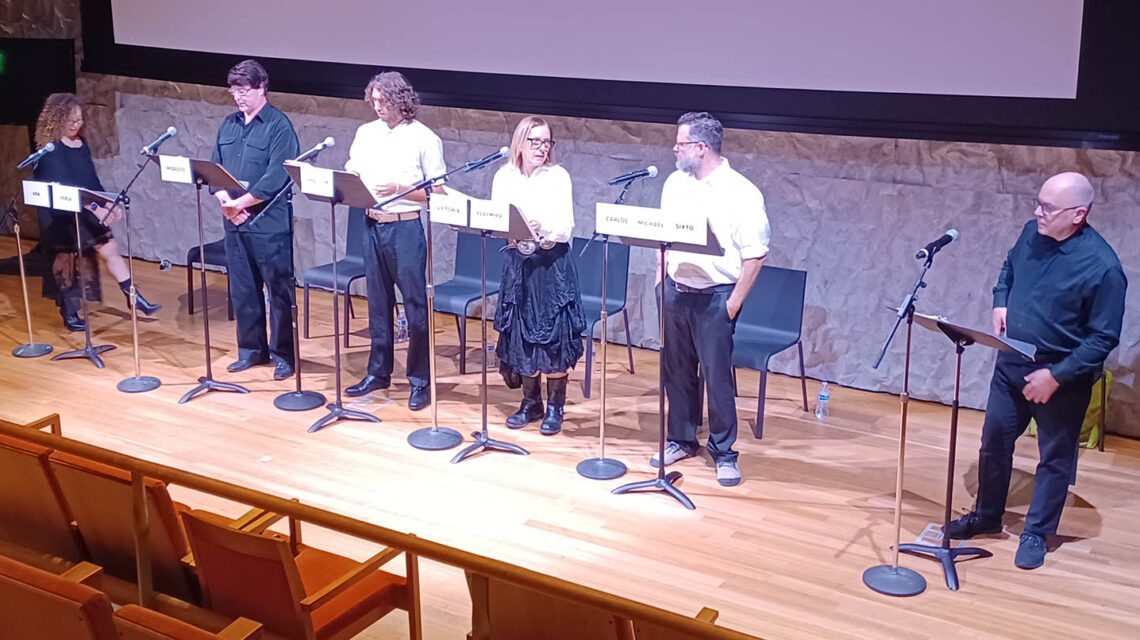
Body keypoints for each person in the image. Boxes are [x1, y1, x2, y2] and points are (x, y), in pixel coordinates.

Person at [945, 172, 1126, 570]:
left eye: (1047, 207)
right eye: (1039, 202)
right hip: (1010, 362)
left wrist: (1056, 376)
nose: (1036, 212)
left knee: (1054, 459)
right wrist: (1000, 300)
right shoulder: (1031, 234)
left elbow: (1102, 339)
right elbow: (1008, 269)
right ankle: (988, 515)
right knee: (994, 443)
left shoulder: (1104, 268)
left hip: (1061, 379)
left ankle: (1036, 531)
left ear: (1078, 214)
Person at [651, 112, 770, 487]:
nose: (675, 148)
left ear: (701, 148)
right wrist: (660, 282)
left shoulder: (741, 192)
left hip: (716, 297)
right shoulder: (674, 183)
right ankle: (682, 439)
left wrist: (732, 304)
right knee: (677, 372)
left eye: (681, 143)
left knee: (718, 379)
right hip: (676, 291)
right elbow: (662, 236)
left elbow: (756, 254)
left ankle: (724, 451)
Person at [343, 71, 442, 410]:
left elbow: (438, 194)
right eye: (373, 100)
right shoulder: (365, 133)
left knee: (415, 308)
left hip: (405, 229)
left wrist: (401, 190)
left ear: (402, 101)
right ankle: (378, 372)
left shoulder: (424, 138)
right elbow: (353, 171)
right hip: (371, 225)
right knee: (378, 305)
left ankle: (419, 380)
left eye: (383, 101)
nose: (377, 107)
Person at [32, 93, 161, 331]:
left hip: (87, 207)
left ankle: (134, 297)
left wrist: (107, 204)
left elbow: (91, 182)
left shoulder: (81, 146)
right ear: (57, 119)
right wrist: (95, 208)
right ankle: (69, 312)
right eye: (71, 121)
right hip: (62, 214)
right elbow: (66, 191)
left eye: (79, 119)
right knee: (67, 262)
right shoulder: (51, 152)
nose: (76, 124)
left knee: (110, 249)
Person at [492, 116, 585, 435]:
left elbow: (566, 227)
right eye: (536, 141)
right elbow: (497, 217)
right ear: (520, 142)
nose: (543, 148)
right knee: (522, 335)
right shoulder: (504, 176)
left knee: (553, 339)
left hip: (551, 264)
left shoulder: (558, 176)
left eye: (547, 142)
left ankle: (556, 406)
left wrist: (541, 228)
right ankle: (531, 402)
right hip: (519, 263)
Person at [212, 59, 299, 381]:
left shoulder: (279, 126)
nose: (238, 97)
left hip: (269, 226)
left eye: (244, 90)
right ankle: (251, 351)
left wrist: (241, 203)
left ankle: (284, 356)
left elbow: (278, 174)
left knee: (279, 293)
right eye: (234, 90)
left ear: (262, 87)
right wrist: (226, 201)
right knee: (243, 291)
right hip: (234, 224)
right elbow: (215, 167)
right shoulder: (229, 124)